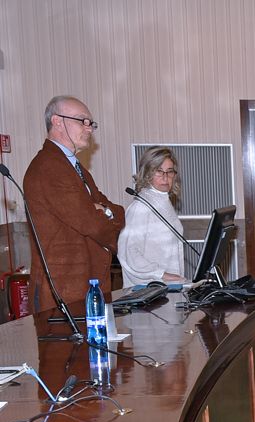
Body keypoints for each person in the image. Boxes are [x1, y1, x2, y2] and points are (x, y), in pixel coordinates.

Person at [25, 95, 124, 308]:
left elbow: (117, 212)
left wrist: (104, 211)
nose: (89, 128)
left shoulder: (75, 168)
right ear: (57, 121)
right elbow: (92, 223)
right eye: (82, 121)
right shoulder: (49, 167)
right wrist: (104, 213)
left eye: (91, 123)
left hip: (85, 287)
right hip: (64, 291)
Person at [118, 147, 186, 286]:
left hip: (168, 288)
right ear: (147, 173)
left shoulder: (163, 201)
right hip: (151, 291)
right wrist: (161, 274)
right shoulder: (140, 207)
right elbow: (128, 253)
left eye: (170, 171)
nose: (165, 177)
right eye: (159, 171)